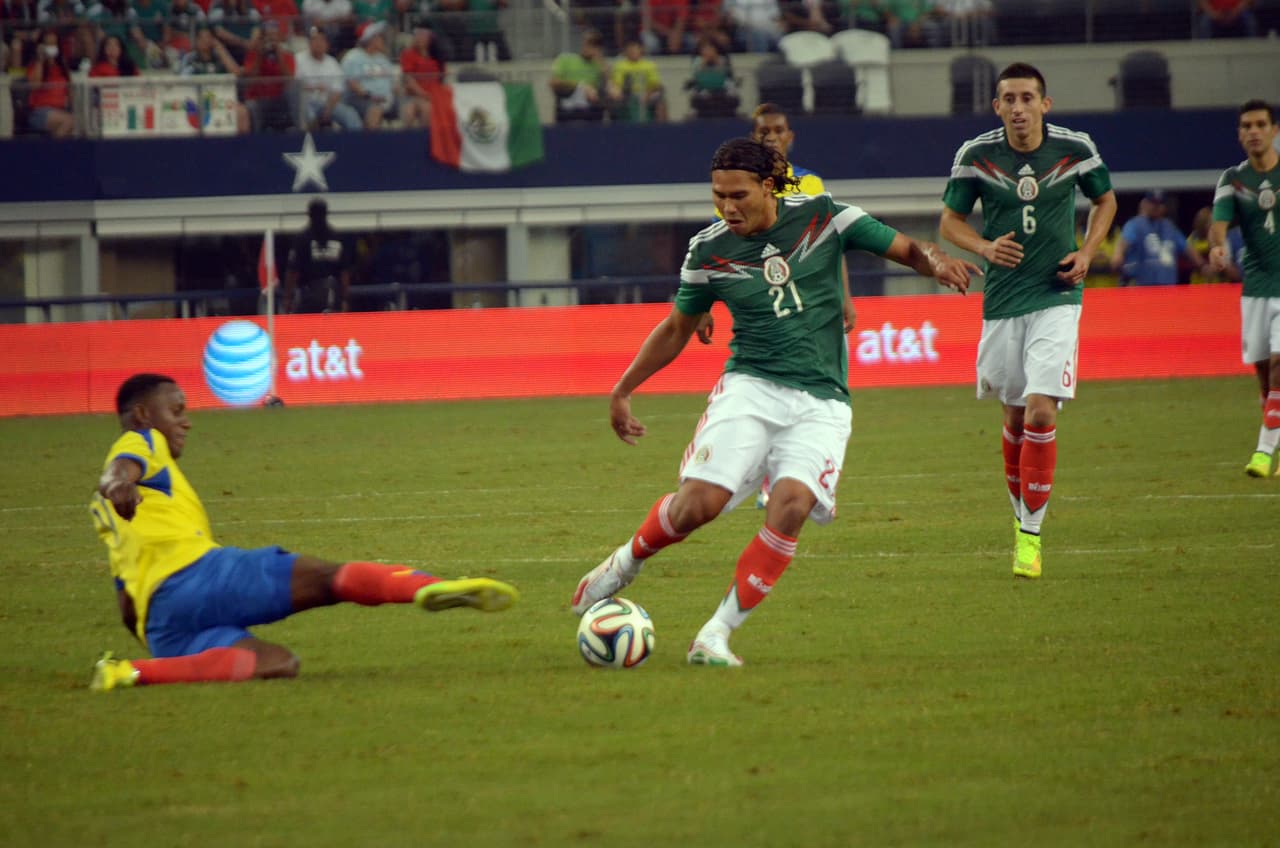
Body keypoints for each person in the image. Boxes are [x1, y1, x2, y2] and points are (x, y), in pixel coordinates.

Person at [570, 137, 978, 666]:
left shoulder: (825, 215)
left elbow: (903, 248)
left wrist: (936, 261)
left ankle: (714, 635)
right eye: (718, 195)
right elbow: (677, 327)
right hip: (751, 387)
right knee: (699, 507)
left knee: (792, 507)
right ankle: (624, 563)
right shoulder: (708, 249)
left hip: (823, 401)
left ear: (768, 186)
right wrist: (623, 388)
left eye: (738, 194)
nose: (727, 206)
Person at [89, 373, 518, 691]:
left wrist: (155, 636)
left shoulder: (108, 512)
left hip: (160, 621)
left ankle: (131, 671)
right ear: (144, 414)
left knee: (277, 663)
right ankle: (428, 587)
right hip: (201, 577)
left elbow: (126, 598)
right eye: (177, 410)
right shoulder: (142, 440)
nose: (186, 422)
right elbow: (116, 473)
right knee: (329, 580)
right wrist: (118, 484)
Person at [939, 62, 1117, 579]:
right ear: (997, 106)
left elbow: (1105, 201)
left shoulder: (1076, 148)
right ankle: (1022, 521)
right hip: (1002, 303)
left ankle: (1031, 537)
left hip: (1057, 298)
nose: (1018, 107)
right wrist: (984, 246)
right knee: (1014, 419)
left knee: (1041, 413)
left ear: (1045, 104)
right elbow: (949, 222)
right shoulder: (975, 156)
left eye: (1027, 98)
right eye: (1008, 99)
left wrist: (1087, 252)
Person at [1208, 99, 1280, 478]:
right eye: (1246, 126)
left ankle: (1264, 451)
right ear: (1239, 134)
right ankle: (1273, 446)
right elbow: (1218, 222)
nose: (1253, 131)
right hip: (1256, 287)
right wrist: (1218, 246)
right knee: (1265, 374)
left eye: (1260, 124)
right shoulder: (1232, 180)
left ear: (1274, 130)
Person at [1110, 191, 1203, 286]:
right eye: (1152, 203)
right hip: (1141, 285)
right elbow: (1124, 241)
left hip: (1167, 285)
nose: (1156, 207)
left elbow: (1186, 247)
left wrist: (1202, 265)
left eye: (1159, 204)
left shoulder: (1169, 227)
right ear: (1144, 203)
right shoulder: (1135, 224)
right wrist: (1118, 255)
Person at [342, 20, 419, 129]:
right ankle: (372, 143)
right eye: (379, 37)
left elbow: (393, 85)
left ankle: (403, 142)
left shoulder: (383, 59)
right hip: (362, 100)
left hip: (387, 100)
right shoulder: (353, 57)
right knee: (375, 110)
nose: (383, 40)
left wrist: (400, 91)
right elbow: (352, 84)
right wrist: (370, 96)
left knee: (409, 106)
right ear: (370, 39)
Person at [285, 197, 352, 312]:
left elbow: (293, 271)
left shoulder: (302, 238)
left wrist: (288, 298)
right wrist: (345, 299)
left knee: (305, 328)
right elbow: (344, 273)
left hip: (309, 297)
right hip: (333, 295)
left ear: (309, 215)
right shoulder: (337, 237)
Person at [294, 26, 362, 131]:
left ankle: (357, 144)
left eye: (321, 40)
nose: (318, 43)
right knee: (309, 115)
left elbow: (338, 91)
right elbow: (294, 85)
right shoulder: (298, 59)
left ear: (327, 44)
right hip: (306, 102)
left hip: (327, 103)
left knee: (350, 115)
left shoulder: (332, 63)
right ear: (309, 43)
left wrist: (329, 109)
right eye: (314, 39)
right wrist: (313, 87)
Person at [241, 19, 296, 132]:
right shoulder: (253, 54)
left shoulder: (287, 55)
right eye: (268, 37)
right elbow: (250, 79)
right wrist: (260, 56)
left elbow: (289, 79)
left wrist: (278, 54)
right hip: (257, 99)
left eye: (274, 37)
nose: (271, 40)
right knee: (251, 106)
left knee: (293, 94)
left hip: (279, 100)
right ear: (262, 38)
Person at [549, 27, 613, 123]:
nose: (588, 47)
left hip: (591, 105)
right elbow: (553, 82)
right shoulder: (566, 59)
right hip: (569, 100)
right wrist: (580, 86)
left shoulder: (598, 64)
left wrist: (601, 62)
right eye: (587, 43)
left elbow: (608, 84)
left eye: (593, 44)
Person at [24, 27, 74, 137]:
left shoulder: (62, 66)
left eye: (54, 44)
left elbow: (70, 91)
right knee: (69, 121)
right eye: (48, 44)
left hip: (60, 110)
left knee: (73, 124)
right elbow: (34, 86)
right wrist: (40, 59)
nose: (51, 47)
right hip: (40, 112)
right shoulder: (35, 65)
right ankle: (54, 153)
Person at [609, 37, 666, 123]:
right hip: (627, 94)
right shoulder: (620, 66)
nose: (633, 51)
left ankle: (662, 128)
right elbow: (617, 84)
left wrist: (647, 94)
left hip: (647, 93)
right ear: (626, 51)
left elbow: (655, 84)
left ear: (641, 49)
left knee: (660, 99)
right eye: (630, 49)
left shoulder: (649, 65)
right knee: (613, 95)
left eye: (635, 48)